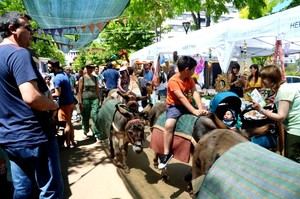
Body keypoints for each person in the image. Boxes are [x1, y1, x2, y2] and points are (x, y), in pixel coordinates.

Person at [0, 12, 63, 198]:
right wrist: (53, 105)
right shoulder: (19, 54)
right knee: (50, 190)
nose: (32, 33)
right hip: (35, 136)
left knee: (22, 190)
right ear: (12, 29)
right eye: (28, 28)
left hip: (9, 137)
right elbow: (31, 98)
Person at [158, 56, 208, 169]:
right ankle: (166, 154)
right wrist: (194, 111)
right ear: (187, 69)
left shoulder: (189, 79)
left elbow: (195, 93)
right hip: (175, 106)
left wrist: (200, 108)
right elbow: (181, 98)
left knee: (205, 118)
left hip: (188, 105)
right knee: (169, 125)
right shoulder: (173, 81)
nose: (194, 71)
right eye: (193, 69)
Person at [252, 65, 300, 163]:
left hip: (295, 131)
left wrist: (261, 110)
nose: (262, 81)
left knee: (293, 162)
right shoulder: (284, 88)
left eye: (264, 78)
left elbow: (281, 117)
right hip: (295, 129)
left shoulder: (283, 91)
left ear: (271, 79)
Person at [48, 59, 76, 148]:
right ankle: (72, 141)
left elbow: (57, 93)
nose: (48, 68)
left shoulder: (57, 78)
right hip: (70, 102)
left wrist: (48, 94)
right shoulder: (63, 75)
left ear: (54, 67)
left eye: (49, 67)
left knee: (66, 124)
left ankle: (68, 144)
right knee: (69, 123)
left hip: (65, 104)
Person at [78, 64, 104, 139]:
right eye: (89, 67)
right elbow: (79, 91)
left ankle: (96, 132)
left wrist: (100, 99)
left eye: (92, 68)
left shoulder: (95, 78)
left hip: (94, 99)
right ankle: (85, 131)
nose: (90, 69)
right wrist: (80, 102)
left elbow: (97, 90)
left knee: (94, 115)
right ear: (86, 68)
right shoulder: (82, 78)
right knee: (85, 116)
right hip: (85, 100)